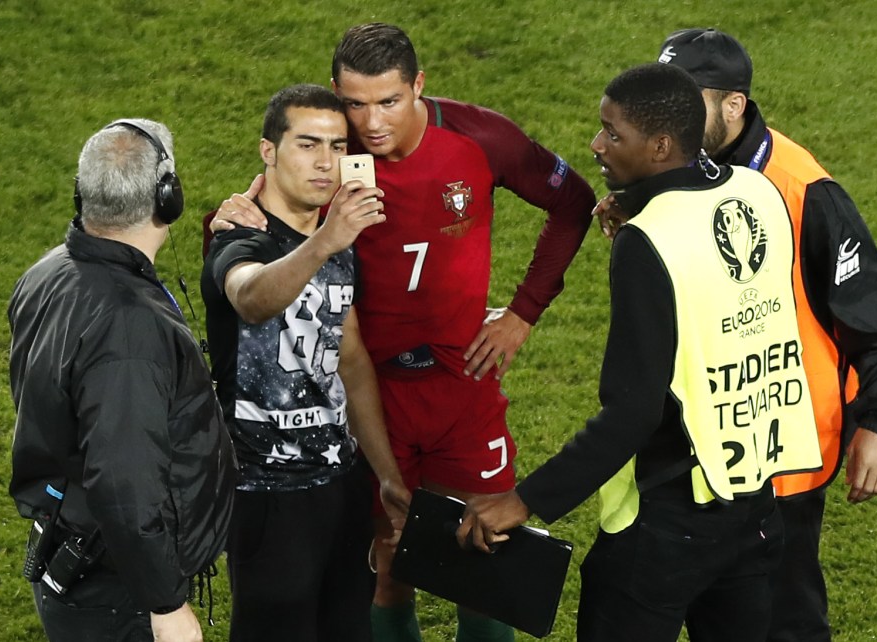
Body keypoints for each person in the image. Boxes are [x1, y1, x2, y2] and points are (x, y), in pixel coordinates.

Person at [209, 23, 597, 642]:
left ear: (418, 85)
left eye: (389, 101)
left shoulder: (479, 138)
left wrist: (524, 311)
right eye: (355, 103)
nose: (370, 122)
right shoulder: (331, 158)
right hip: (370, 393)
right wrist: (235, 213)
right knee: (385, 563)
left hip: (460, 385)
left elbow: (573, 201)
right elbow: (272, 214)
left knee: (485, 554)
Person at [458, 62, 829, 642]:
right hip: (755, 507)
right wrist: (640, 199)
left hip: (666, 520)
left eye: (612, 132)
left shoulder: (646, 242)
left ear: (659, 145)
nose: (596, 144)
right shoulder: (759, 192)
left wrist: (523, 501)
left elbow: (634, 410)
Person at [643, 29, 877, 642]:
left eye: (684, 101)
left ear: (733, 106)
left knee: (782, 621)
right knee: (711, 614)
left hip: (782, 452)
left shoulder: (802, 189)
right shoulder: (679, 163)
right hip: (698, 443)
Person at [8, 119, 237, 642]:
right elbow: (125, 484)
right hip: (119, 594)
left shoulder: (48, 272)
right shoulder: (130, 332)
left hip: (77, 550)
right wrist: (165, 604)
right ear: (168, 196)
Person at [200, 84, 412, 641]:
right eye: (307, 144)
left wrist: (385, 474)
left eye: (339, 148)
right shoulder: (236, 238)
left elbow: (352, 360)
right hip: (265, 494)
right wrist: (324, 242)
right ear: (268, 152)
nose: (325, 163)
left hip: (340, 486)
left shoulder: (338, 240)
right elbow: (250, 298)